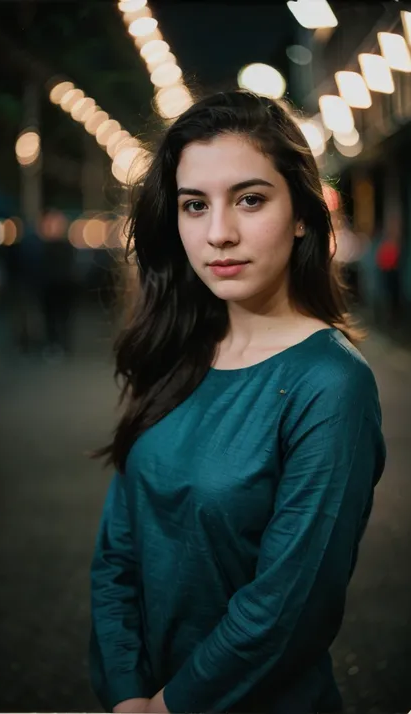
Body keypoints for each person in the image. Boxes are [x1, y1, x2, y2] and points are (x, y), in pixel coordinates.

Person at [89, 90, 386, 714]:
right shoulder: (174, 351)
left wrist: (170, 706)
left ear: (302, 213)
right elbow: (119, 552)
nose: (219, 233)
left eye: (250, 199)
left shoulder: (331, 384)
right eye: (195, 205)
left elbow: (288, 607)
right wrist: (125, 694)